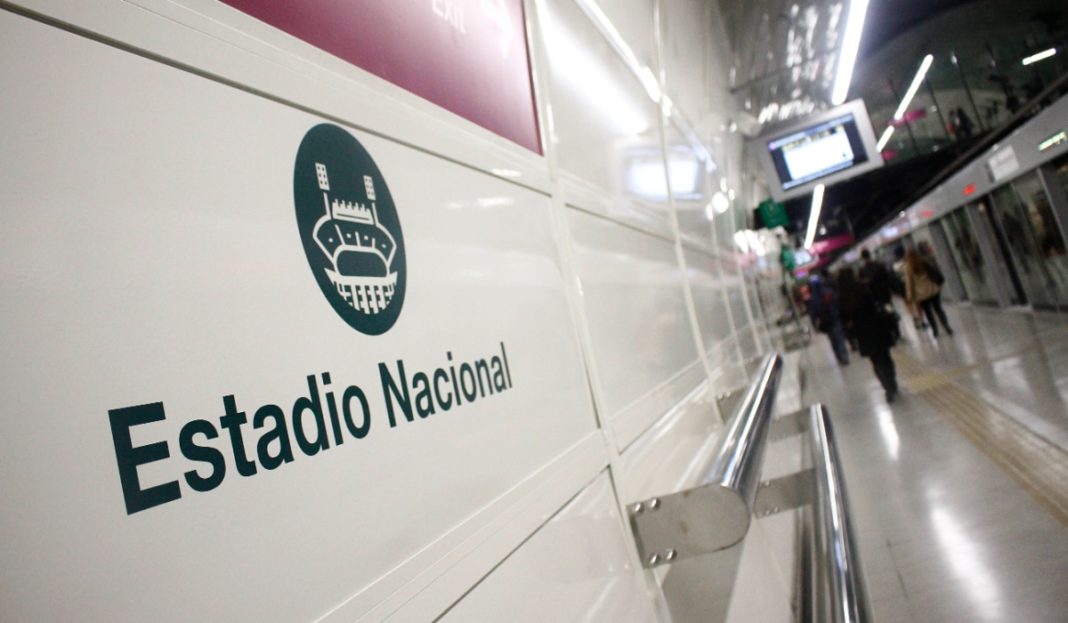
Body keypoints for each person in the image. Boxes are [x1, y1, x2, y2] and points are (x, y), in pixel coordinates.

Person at [838, 267, 899, 403]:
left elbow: (844, 321)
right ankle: (892, 384)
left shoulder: (842, 298)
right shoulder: (863, 288)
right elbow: (876, 304)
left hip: (862, 334)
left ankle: (886, 387)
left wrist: (852, 336)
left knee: (875, 361)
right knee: (886, 357)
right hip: (877, 327)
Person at [904, 248, 953, 337]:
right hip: (933, 290)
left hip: (921, 295)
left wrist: (910, 296)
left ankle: (935, 331)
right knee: (938, 309)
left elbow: (909, 284)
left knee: (928, 313)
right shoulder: (923, 262)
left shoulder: (908, 267)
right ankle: (947, 326)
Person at [858, 249, 901, 343]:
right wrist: (894, 290)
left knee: (881, 315)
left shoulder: (862, 271)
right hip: (885, 295)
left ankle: (889, 333)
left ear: (862, 258)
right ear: (869, 255)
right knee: (890, 312)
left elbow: (863, 286)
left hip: (874, 298)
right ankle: (896, 331)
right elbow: (888, 279)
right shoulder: (879, 266)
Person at [807, 271, 849, 365]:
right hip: (834, 318)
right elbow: (836, 303)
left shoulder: (813, 298)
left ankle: (840, 356)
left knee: (833, 340)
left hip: (825, 322)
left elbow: (813, 313)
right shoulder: (828, 292)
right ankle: (844, 355)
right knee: (839, 338)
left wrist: (815, 325)